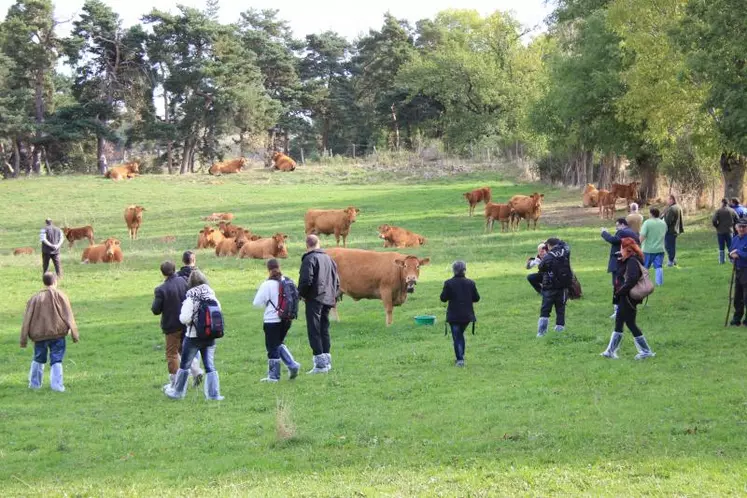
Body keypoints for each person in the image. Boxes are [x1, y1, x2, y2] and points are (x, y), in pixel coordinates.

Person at [165, 270, 224, 400]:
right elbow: (218, 311)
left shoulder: (191, 297)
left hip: (193, 336)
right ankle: (214, 394)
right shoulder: (212, 295)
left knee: (185, 365)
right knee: (210, 365)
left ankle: (178, 392)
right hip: (210, 336)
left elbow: (184, 318)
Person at [20, 272, 79, 391]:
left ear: (44, 282)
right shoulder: (61, 295)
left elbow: (26, 320)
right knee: (56, 359)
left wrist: (23, 339)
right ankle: (57, 386)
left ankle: (34, 385)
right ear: (55, 281)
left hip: (39, 336)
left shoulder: (34, 298)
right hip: (58, 334)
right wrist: (74, 334)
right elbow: (69, 316)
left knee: (38, 358)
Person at [151, 261, 204, 390]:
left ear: (162, 273)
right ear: (175, 269)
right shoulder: (185, 281)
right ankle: (196, 371)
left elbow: (155, 310)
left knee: (172, 354)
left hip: (171, 326)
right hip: (186, 323)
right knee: (184, 350)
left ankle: (175, 383)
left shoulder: (161, 289)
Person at [601, 237, 656, 360]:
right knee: (620, 322)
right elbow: (621, 275)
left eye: (621, 247)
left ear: (626, 249)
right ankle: (610, 351)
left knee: (630, 323)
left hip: (628, 297)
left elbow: (631, 279)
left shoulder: (632, 261)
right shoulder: (628, 260)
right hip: (625, 296)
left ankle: (646, 351)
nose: (619, 250)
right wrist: (620, 260)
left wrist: (620, 292)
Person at [252, 259, 302, 382]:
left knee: (272, 347)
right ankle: (292, 365)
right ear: (279, 267)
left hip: (271, 320)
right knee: (278, 343)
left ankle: (274, 376)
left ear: (268, 269)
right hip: (286, 319)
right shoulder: (287, 280)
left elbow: (257, 303)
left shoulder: (267, 284)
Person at [298, 234, 340, 374]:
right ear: (319, 243)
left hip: (314, 298)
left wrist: (302, 294)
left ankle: (320, 365)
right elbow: (337, 280)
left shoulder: (309, 259)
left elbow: (306, 280)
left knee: (314, 329)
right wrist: (334, 295)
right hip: (328, 298)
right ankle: (327, 361)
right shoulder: (329, 259)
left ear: (306, 245)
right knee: (324, 328)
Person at [440, 260, 480, 367]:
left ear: (453, 270)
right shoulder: (471, 283)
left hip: (454, 315)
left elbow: (443, 298)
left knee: (457, 337)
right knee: (459, 335)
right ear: (464, 270)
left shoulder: (448, 283)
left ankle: (460, 359)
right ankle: (460, 356)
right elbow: (477, 298)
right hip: (467, 315)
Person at [601, 218, 640, 318]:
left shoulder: (622, 232)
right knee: (625, 285)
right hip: (630, 262)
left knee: (618, 286)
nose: (616, 228)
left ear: (623, 224)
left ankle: (618, 310)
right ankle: (628, 307)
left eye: (617, 225)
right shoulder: (633, 232)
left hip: (619, 263)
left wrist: (604, 233)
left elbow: (613, 240)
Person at [536, 237, 571, 337]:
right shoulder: (566, 251)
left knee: (545, 309)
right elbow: (566, 245)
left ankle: (541, 332)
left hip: (550, 286)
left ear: (549, 245)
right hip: (563, 286)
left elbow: (541, 267)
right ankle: (560, 330)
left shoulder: (549, 256)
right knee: (560, 309)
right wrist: (559, 241)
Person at [640, 207, 667, 286]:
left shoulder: (647, 223)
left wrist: (638, 244)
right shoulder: (663, 223)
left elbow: (642, 236)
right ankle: (659, 283)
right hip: (660, 248)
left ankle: (644, 283)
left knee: (645, 267)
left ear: (651, 214)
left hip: (648, 249)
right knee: (658, 267)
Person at [728, 218, 747, 326]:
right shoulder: (735, 239)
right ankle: (737, 319)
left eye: (744, 227)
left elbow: (739, 253)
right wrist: (731, 256)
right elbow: (730, 252)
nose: (741, 229)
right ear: (736, 228)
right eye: (740, 226)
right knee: (737, 296)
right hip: (738, 271)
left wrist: (738, 253)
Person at [713, 199, 739, 264]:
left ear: (722, 203)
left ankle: (721, 261)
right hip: (730, 230)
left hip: (720, 231)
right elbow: (737, 219)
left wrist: (717, 226)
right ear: (728, 203)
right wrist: (734, 227)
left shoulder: (718, 211)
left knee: (721, 246)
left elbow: (714, 220)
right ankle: (732, 260)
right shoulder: (732, 210)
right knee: (730, 246)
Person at [663, 195, 684, 266]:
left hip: (670, 230)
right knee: (671, 245)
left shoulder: (672, 208)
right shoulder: (678, 207)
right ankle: (673, 259)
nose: (667, 201)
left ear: (672, 200)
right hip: (676, 229)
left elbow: (668, 221)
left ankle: (670, 261)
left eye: (668, 200)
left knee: (668, 246)